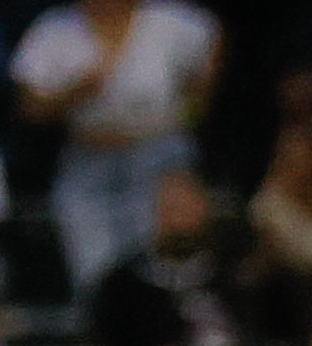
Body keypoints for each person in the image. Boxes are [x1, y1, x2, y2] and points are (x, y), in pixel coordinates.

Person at [14, 0, 222, 298]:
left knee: (155, 269)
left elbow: (212, 42)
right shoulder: (54, 29)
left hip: (158, 156)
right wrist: (74, 93)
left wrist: (192, 109)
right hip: (88, 159)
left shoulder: (169, 20)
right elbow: (29, 106)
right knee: (94, 274)